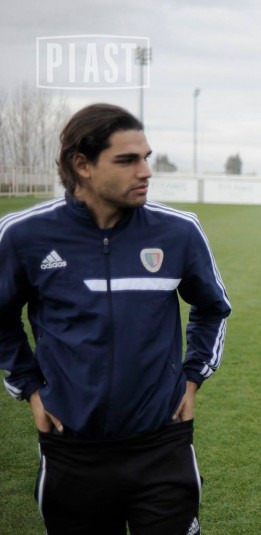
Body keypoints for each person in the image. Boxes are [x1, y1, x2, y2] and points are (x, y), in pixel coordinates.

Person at [0, 103, 231, 535]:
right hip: (72, 450)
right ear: (82, 165)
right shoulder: (23, 235)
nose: (145, 171)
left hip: (162, 444)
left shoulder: (178, 231)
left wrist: (193, 377)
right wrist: (29, 387)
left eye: (145, 157)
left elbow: (213, 307)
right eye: (127, 160)